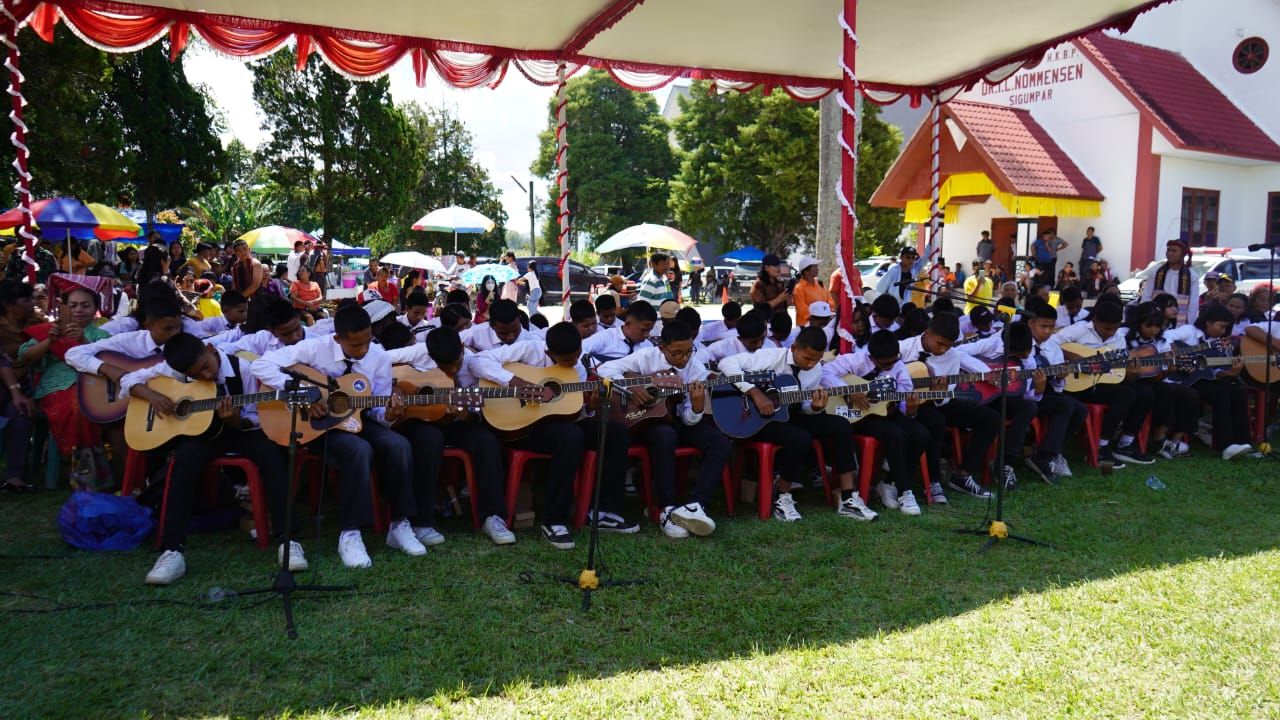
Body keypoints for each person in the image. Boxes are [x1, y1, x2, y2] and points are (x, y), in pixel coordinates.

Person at [249, 305, 426, 568]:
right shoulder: (315, 348)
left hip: (359, 419)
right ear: (337, 338)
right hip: (319, 426)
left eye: (367, 342)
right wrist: (302, 393)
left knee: (397, 444)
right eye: (355, 345)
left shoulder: (378, 357)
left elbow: (375, 410)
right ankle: (350, 533)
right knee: (358, 450)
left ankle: (399, 524)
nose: (363, 350)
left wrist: (389, 414)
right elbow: (262, 365)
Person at [122, 332, 294, 585]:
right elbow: (128, 380)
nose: (205, 376)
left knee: (271, 453)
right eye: (195, 375)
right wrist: (153, 396)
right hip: (204, 436)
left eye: (206, 367)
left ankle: (288, 540)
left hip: (241, 431)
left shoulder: (242, 368)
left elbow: (256, 416)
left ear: (210, 349)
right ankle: (173, 551)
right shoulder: (174, 371)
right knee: (183, 460)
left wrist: (236, 420)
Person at [472, 322, 638, 547]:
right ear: (549, 352)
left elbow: (573, 411)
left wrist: (592, 405)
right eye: (567, 359)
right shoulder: (530, 349)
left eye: (577, 355)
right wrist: (516, 383)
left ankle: (604, 512)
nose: (573, 362)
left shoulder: (578, 367)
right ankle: (554, 520)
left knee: (615, 432)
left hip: (560, 424)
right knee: (570, 436)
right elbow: (478, 361)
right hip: (523, 426)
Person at [718, 327, 877, 522]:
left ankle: (848, 498)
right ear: (794, 348)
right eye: (807, 358)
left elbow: (802, 407)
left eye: (816, 359)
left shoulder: (815, 370)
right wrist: (754, 393)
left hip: (789, 415)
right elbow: (726, 363)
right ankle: (782, 497)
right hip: (755, 419)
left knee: (841, 424)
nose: (811, 364)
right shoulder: (771, 357)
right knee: (800, 438)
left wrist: (816, 407)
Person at [379, 324, 515, 546]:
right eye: (444, 367)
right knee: (429, 440)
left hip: (457, 423)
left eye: (456, 364)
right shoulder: (418, 353)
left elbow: (477, 414)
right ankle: (422, 523)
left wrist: (465, 415)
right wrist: (395, 388)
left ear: (462, 349)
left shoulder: (475, 364)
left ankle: (493, 516)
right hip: (420, 420)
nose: (452, 370)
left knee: (486, 441)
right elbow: (378, 360)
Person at [597, 320, 727, 537]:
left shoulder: (696, 369)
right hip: (648, 421)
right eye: (677, 353)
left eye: (689, 352)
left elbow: (688, 420)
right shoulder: (646, 357)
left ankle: (695, 506)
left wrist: (695, 408)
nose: (684, 358)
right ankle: (667, 509)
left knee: (720, 443)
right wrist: (634, 388)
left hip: (681, 421)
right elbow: (605, 369)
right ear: (662, 347)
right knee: (665, 436)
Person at [822, 329, 931, 515]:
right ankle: (905, 493)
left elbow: (904, 396)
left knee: (921, 433)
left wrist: (910, 409)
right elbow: (825, 373)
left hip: (887, 411)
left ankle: (890, 483)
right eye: (885, 363)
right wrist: (850, 390)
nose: (891, 366)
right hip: (860, 416)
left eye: (894, 360)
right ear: (872, 358)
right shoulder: (854, 360)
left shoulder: (898, 365)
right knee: (894, 434)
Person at [898, 312, 998, 500]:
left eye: (948, 346)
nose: (943, 349)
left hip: (940, 401)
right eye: (940, 344)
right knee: (936, 420)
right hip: (909, 404)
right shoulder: (903, 348)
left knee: (991, 418)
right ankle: (933, 481)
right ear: (927, 333)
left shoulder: (952, 356)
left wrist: (940, 393)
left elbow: (944, 400)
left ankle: (963, 474)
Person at [1045, 298, 1155, 468]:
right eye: (1106, 328)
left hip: (1103, 381)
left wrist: (1131, 374)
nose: (1110, 332)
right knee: (1125, 395)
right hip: (1076, 384)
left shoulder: (1118, 339)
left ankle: (1125, 443)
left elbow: (1117, 373)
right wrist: (1076, 358)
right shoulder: (1079, 330)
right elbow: (1049, 342)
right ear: (1095, 321)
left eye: (1115, 328)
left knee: (1146, 393)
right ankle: (1100, 446)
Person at [1168, 302, 1257, 459]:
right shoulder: (1189, 331)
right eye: (1221, 326)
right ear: (1208, 322)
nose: (1223, 331)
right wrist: (1182, 357)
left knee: (1237, 390)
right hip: (1184, 380)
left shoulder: (1219, 343)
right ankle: (1225, 445)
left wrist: (1230, 372)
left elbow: (1214, 371)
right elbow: (1165, 339)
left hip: (1205, 380)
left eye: (1225, 328)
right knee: (1220, 393)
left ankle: (1244, 443)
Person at [1122, 301, 1200, 461]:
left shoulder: (1161, 341)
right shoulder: (1123, 334)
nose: (1153, 330)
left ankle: (1169, 439)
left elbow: (1155, 376)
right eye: (1148, 325)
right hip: (1124, 378)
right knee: (1159, 391)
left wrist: (1168, 370)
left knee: (1188, 393)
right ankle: (1153, 438)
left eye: (1157, 327)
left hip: (1148, 379)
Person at [1140, 239, 1201, 325]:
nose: (1170, 253)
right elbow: (1146, 296)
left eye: (1174, 251)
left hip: (1180, 323)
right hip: (1156, 321)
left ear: (1182, 254)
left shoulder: (1192, 276)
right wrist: (1145, 317)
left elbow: (1193, 303)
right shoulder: (1156, 272)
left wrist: (1191, 325)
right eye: (1168, 250)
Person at [791, 256, 833, 328]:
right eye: (815, 267)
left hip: (823, 326)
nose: (817, 269)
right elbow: (802, 310)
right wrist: (821, 319)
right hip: (806, 328)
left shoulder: (820, 284)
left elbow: (830, 302)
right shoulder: (799, 288)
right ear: (806, 271)